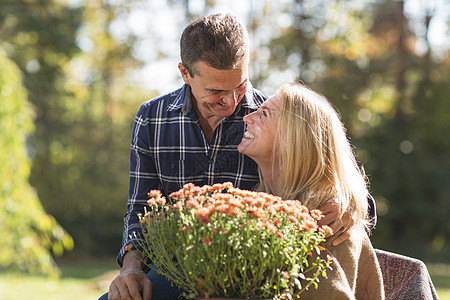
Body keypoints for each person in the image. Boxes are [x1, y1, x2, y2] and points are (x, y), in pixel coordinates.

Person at [101, 14, 370, 300]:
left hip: (247, 274)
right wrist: (131, 267)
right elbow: (140, 207)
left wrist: (350, 203)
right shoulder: (152, 118)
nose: (231, 102)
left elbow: (327, 171)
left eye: (239, 85)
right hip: (173, 270)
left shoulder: (273, 119)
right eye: (215, 90)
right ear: (185, 73)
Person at [238, 82, 385, 299]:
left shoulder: (329, 220)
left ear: (293, 138)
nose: (247, 118)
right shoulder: (266, 205)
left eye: (264, 114)